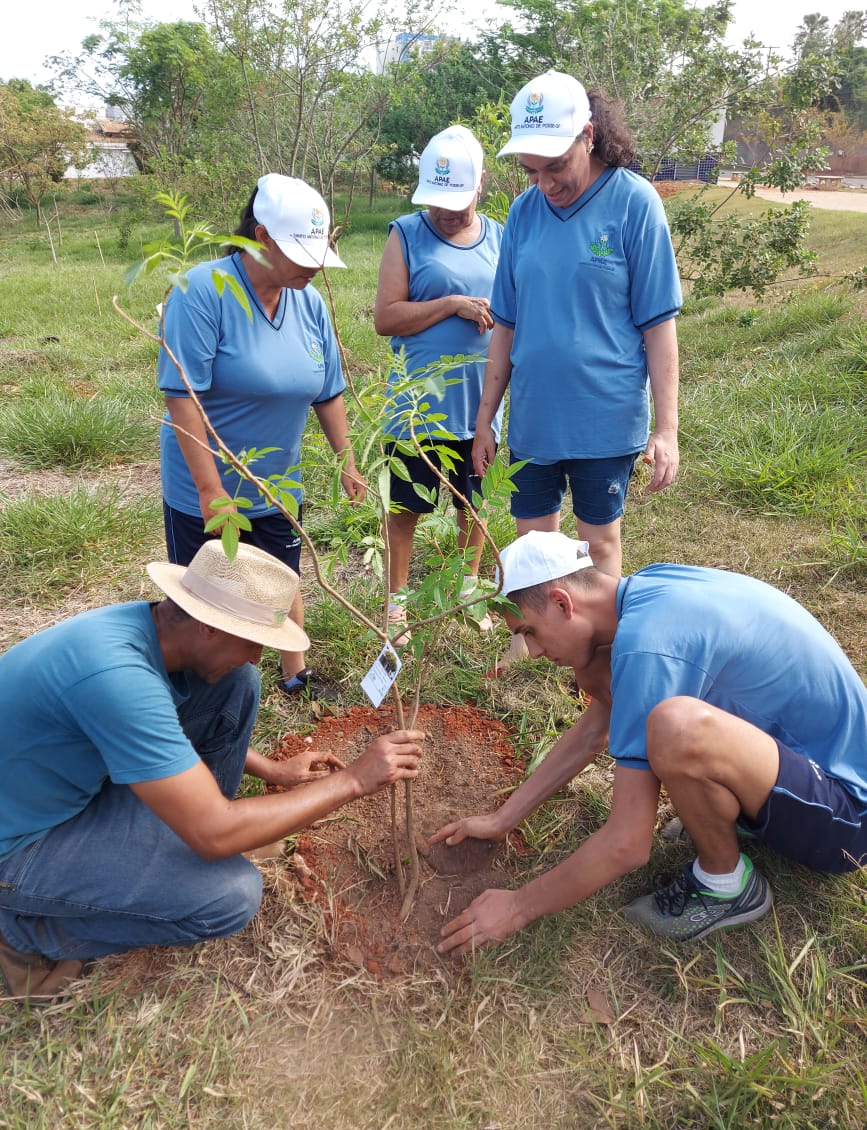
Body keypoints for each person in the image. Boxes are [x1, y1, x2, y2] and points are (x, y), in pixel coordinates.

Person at [0, 541, 423, 999]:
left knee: (237, 682)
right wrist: (354, 779)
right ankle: (23, 932)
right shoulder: (117, 679)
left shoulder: (150, 631)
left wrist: (273, 770)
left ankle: (188, 832)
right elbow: (213, 832)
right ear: (207, 626)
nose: (258, 655)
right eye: (253, 641)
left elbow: (157, 731)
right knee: (230, 896)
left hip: (62, 788)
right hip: (21, 843)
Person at [433, 531, 867, 957]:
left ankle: (725, 885)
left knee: (676, 728)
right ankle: (728, 813)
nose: (532, 650)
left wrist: (517, 907)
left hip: (847, 816)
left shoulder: (648, 648)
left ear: (563, 603)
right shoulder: (648, 589)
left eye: (529, 631)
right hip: (808, 763)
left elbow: (627, 843)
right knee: (632, 695)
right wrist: (503, 818)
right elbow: (593, 730)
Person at [472, 71, 682, 669]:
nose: (546, 184)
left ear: (588, 136)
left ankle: (605, 649)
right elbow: (506, 325)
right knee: (533, 544)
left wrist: (667, 429)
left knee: (598, 543)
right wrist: (486, 419)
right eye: (531, 171)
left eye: (556, 167)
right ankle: (534, 638)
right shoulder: (524, 214)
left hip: (604, 416)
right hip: (535, 416)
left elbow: (659, 329)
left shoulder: (634, 203)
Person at [159, 173, 364, 698]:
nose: (314, 267)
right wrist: (210, 489)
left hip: (278, 479)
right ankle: (200, 689)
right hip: (209, 482)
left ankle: (295, 672)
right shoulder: (203, 292)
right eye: (301, 253)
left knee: (281, 574)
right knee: (208, 594)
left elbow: (328, 393)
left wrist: (347, 461)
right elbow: (183, 398)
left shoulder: (309, 303)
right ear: (261, 237)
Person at [374, 125, 504, 641]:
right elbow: (386, 317)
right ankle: (397, 604)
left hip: (480, 405)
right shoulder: (406, 234)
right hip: (417, 409)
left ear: (481, 183)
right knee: (405, 508)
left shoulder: (501, 238)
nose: (445, 212)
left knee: (475, 504)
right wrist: (452, 304)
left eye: (457, 201)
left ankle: (467, 588)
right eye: (437, 201)